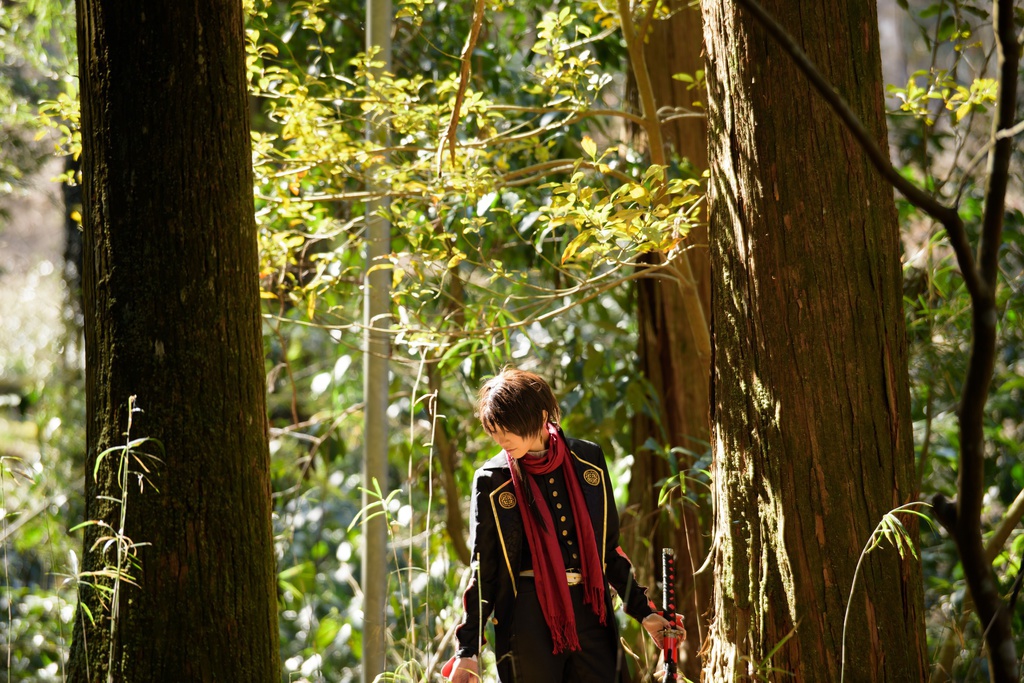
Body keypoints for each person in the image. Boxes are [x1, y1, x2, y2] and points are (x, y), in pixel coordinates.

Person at [447, 367, 679, 683]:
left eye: (508, 429)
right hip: (527, 618)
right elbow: (483, 570)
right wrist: (468, 650)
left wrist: (645, 612)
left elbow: (608, 550)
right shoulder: (493, 480)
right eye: (494, 431)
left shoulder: (588, 461)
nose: (501, 440)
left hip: (591, 610)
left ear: (541, 415)